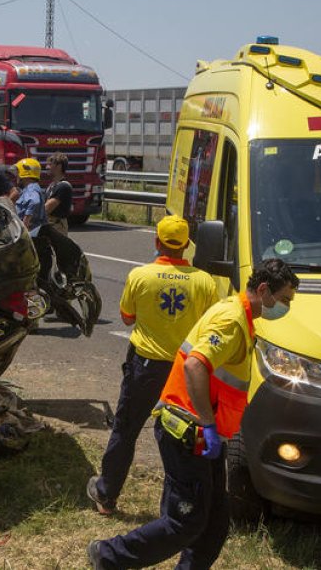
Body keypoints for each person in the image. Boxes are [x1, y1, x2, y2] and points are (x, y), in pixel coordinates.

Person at [88, 259, 299, 570]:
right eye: (284, 299)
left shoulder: (240, 313)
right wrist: (209, 424)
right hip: (189, 432)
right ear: (264, 290)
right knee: (184, 522)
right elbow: (195, 365)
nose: (286, 307)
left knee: (215, 524)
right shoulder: (231, 320)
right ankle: (108, 555)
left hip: (205, 435)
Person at [87, 215, 218, 517]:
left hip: (145, 368)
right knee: (183, 438)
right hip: (186, 372)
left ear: (157, 242)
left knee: (126, 429)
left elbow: (127, 318)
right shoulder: (205, 281)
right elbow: (210, 325)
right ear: (186, 245)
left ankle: (107, 496)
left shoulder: (140, 276)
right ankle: (183, 505)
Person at [43, 152, 74, 235]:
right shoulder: (51, 186)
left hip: (56, 226)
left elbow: (47, 208)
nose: (46, 167)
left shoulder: (63, 186)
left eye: (50, 164)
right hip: (49, 224)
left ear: (59, 166)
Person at [14, 158, 45, 235]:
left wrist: (25, 224)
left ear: (24, 173)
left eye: (18, 172)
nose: (16, 175)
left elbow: (34, 202)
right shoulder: (29, 188)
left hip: (31, 235)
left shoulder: (31, 188)